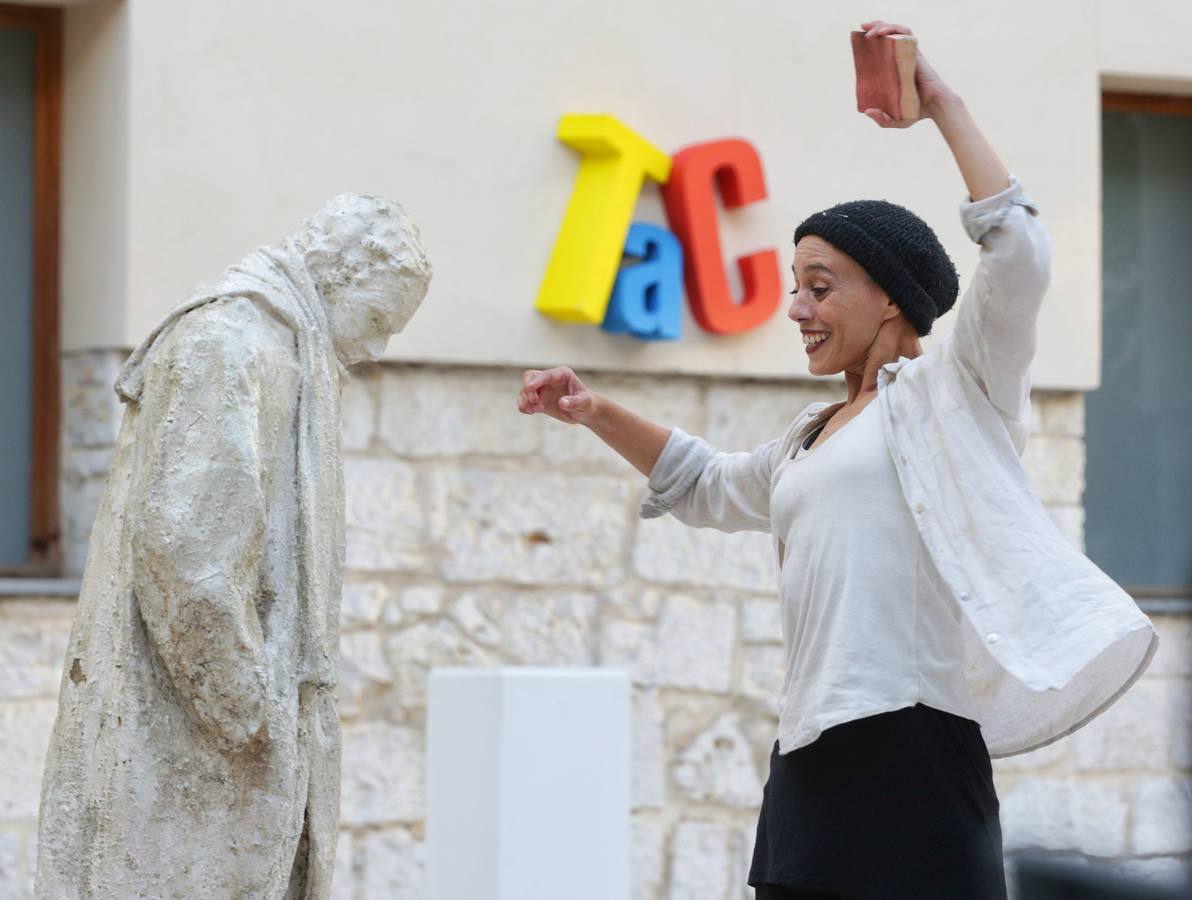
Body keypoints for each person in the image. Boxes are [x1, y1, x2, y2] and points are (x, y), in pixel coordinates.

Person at [518, 21, 1156, 900]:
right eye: (794, 287)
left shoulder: (957, 395)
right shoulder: (810, 436)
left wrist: (942, 104)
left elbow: (1019, 251)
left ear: (891, 295)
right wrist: (593, 410)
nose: (796, 308)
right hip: (809, 754)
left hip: (913, 745)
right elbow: (703, 482)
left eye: (820, 286)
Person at [35, 195, 431, 900]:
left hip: (238, 747)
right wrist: (253, 717)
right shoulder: (233, 344)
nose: (374, 347)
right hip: (198, 748)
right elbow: (187, 556)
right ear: (337, 277)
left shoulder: (285, 351)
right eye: (376, 320)